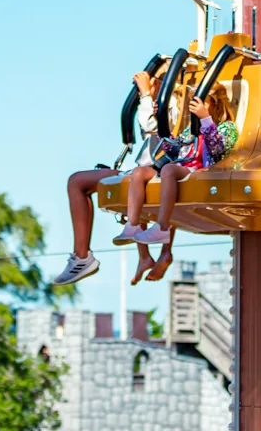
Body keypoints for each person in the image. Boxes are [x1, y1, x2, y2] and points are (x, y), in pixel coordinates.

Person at [53, 69, 169, 287]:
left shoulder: (173, 105)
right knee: (78, 181)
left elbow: (152, 127)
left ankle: (160, 254)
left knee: (141, 182)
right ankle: (86, 256)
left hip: (160, 171)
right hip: (147, 169)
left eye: (156, 81)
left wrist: (146, 95)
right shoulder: (158, 105)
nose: (151, 84)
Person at [115, 82, 238, 277]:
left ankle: (162, 227)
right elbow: (175, 148)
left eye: (200, 102)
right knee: (139, 172)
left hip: (204, 171)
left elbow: (217, 149)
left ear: (214, 104)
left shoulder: (226, 127)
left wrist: (205, 120)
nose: (193, 106)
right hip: (184, 165)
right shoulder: (191, 129)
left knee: (169, 170)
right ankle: (132, 224)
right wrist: (160, 124)